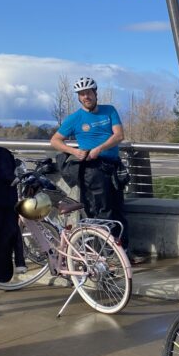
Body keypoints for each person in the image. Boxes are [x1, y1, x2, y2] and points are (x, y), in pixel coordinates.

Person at [50, 76, 140, 264]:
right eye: (82, 94)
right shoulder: (74, 118)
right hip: (92, 170)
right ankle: (106, 256)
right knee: (101, 212)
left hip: (112, 166)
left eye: (88, 93)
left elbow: (119, 135)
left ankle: (124, 252)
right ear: (79, 97)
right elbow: (55, 140)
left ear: (95, 93)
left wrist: (100, 148)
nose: (86, 97)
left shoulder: (109, 110)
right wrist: (74, 151)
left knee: (118, 211)